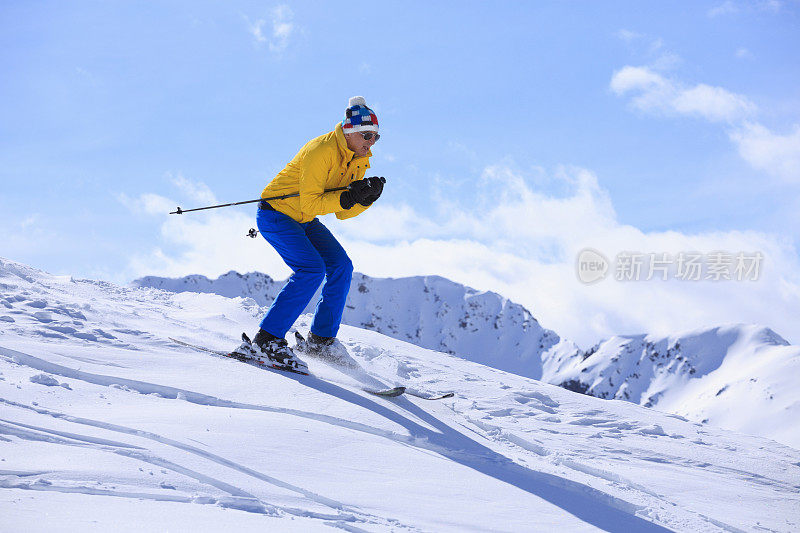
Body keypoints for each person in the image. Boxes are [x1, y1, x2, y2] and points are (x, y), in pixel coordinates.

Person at [232, 96, 384, 373]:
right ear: (350, 131)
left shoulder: (359, 159)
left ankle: (321, 341)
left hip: (303, 219)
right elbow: (313, 202)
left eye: (375, 137)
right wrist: (349, 198)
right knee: (311, 269)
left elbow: (342, 212)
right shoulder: (321, 150)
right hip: (277, 213)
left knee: (341, 266)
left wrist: (364, 199)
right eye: (366, 135)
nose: (371, 142)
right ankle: (267, 341)